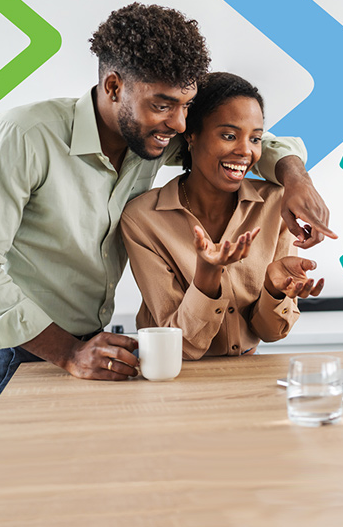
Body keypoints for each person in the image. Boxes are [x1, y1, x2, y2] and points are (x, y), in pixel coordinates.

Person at [0, 3, 337, 452]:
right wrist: (67, 353)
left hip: (88, 345)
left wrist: (295, 178)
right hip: (4, 354)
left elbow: (236, 139)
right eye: (163, 105)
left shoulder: (151, 138)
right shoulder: (25, 135)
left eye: (186, 106)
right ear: (113, 87)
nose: (180, 123)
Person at [120, 72, 325, 360]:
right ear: (191, 135)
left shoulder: (275, 204)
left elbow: (271, 332)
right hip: (171, 377)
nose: (245, 151)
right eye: (229, 136)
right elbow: (178, 344)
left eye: (255, 138)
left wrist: (274, 290)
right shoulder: (142, 219)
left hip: (247, 375)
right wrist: (206, 274)